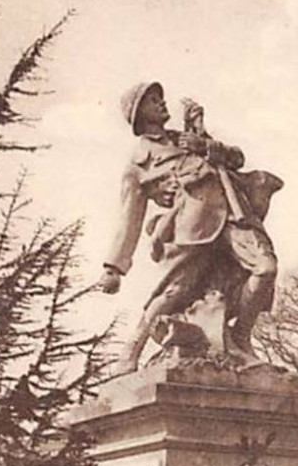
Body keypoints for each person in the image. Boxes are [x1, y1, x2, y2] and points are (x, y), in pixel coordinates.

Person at [95, 82, 281, 373]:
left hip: (234, 213)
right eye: (152, 101)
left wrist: (205, 143)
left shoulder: (188, 136)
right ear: (138, 114)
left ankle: (241, 336)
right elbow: (130, 216)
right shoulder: (138, 163)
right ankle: (130, 352)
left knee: (266, 269)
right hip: (191, 226)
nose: (161, 103)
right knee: (173, 292)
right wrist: (114, 268)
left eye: (160, 98)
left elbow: (236, 158)